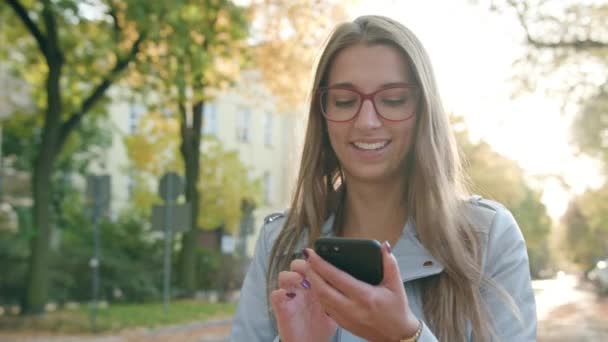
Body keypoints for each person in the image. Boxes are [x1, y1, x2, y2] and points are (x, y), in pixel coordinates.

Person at [230, 15, 536, 342]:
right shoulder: (281, 241)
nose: (367, 121)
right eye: (345, 101)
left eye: (393, 100)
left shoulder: (487, 237)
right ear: (323, 115)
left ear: (423, 111)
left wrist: (407, 336)